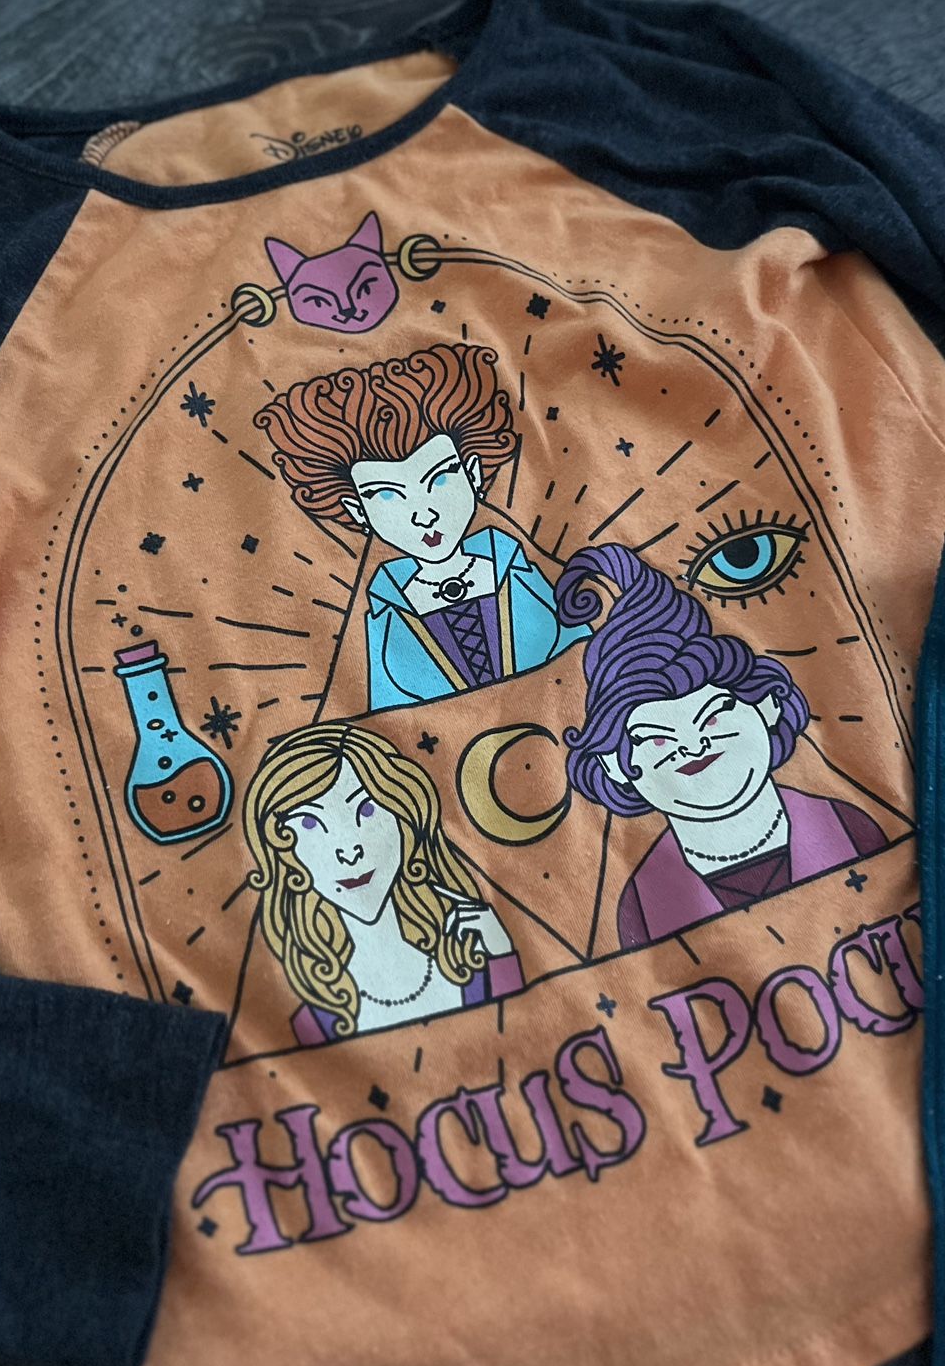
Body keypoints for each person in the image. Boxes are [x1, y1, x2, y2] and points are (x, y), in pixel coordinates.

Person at [557, 544, 887, 948]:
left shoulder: (851, 830)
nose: (693, 746)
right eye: (657, 738)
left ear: (767, 705)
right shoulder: (642, 907)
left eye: (713, 716)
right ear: (613, 764)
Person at [255, 342, 590, 710]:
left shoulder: (516, 568)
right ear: (358, 512)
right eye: (386, 495)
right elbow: (386, 714)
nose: (423, 514)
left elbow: (586, 656)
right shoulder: (387, 613)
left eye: (440, 478)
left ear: (473, 475)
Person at [242, 723, 522, 1045]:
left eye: (367, 808)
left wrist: (502, 958)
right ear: (282, 851)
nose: (349, 850)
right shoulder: (315, 1022)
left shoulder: (472, 961)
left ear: (403, 817)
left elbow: (522, 1036)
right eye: (309, 823)